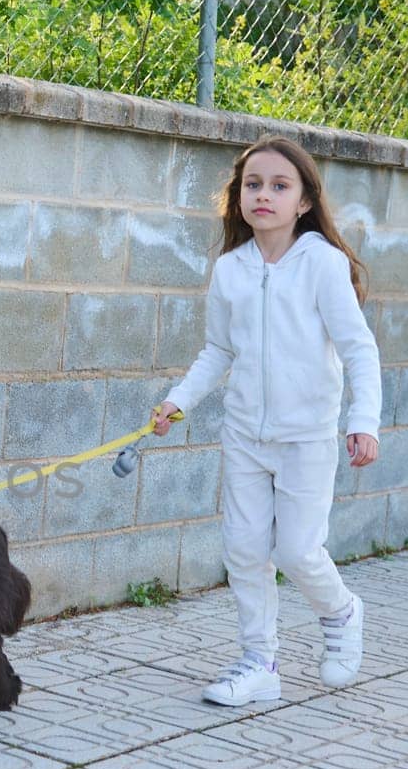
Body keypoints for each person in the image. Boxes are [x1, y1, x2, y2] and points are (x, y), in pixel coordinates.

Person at [151, 135, 381, 706]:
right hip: (245, 436)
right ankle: (260, 662)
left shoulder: (323, 265)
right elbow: (218, 352)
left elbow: (359, 349)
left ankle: (343, 612)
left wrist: (365, 420)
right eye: (253, 184)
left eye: (280, 186)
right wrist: (179, 400)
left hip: (306, 438)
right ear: (238, 196)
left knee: (299, 551)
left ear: (304, 202)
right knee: (245, 549)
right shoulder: (230, 269)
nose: (264, 195)